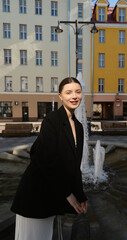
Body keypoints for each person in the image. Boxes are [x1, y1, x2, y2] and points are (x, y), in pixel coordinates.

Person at [11, 77, 88, 240]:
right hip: (35, 195)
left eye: (78, 92)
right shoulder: (52, 120)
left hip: (52, 193)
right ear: (60, 96)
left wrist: (80, 195)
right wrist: (68, 194)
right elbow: (46, 160)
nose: (74, 96)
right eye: (68, 92)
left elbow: (74, 166)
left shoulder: (79, 127)